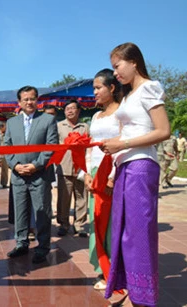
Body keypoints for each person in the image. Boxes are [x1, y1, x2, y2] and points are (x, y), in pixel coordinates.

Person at [101, 42, 171, 307]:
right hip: (125, 165)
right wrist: (111, 143)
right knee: (124, 230)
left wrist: (123, 145)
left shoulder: (149, 88)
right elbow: (129, 133)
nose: (115, 73)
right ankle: (132, 288)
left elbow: (163, 130)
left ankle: (143, 295)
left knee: (139, 231)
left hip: (141, 166)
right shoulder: (129, 95)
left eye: (117, 67)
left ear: (133, 62)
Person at [4, 85, 58, 264]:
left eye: (32, 99)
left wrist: (35, 166)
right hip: (18, 175)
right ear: (19, 102)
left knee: (42, 212)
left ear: (37, 100)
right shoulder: (12, 123)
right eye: (25, 99)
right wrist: (16, 166)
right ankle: (21, 243)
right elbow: (7, 147)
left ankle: (42, 247)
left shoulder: (48, 120)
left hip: (39, 175)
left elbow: (51, 146)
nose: (29, 102)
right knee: (20, 211)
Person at [83, 69, 121, 290]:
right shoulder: (96, 116)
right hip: (96, 172)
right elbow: (90, 146)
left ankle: (114, 271)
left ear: (112, 88)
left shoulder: (122, 113)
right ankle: (101, 267)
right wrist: (87, 173)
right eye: (94, 88)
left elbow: (123, 144)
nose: (95, 92)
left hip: (113, 173)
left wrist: (113, 176)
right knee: (95, 220)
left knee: (112, 224)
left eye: (98, 88)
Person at [56, 99, 89, 237]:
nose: (69, 111)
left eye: (72, 108)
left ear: (78, 110)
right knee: (64, 198)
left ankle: (79, 225)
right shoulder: (58, 126)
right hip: (64, 166)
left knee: (82, 197)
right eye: (67, 109)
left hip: (81, 168)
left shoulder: (85, 127)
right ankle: (63, 224)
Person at [0, 121, 9, 190]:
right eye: (5, 127)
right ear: (1, 127)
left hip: (5, 154)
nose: (6, 128)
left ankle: (4, 183)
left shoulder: (7, 134)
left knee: (5, 170)